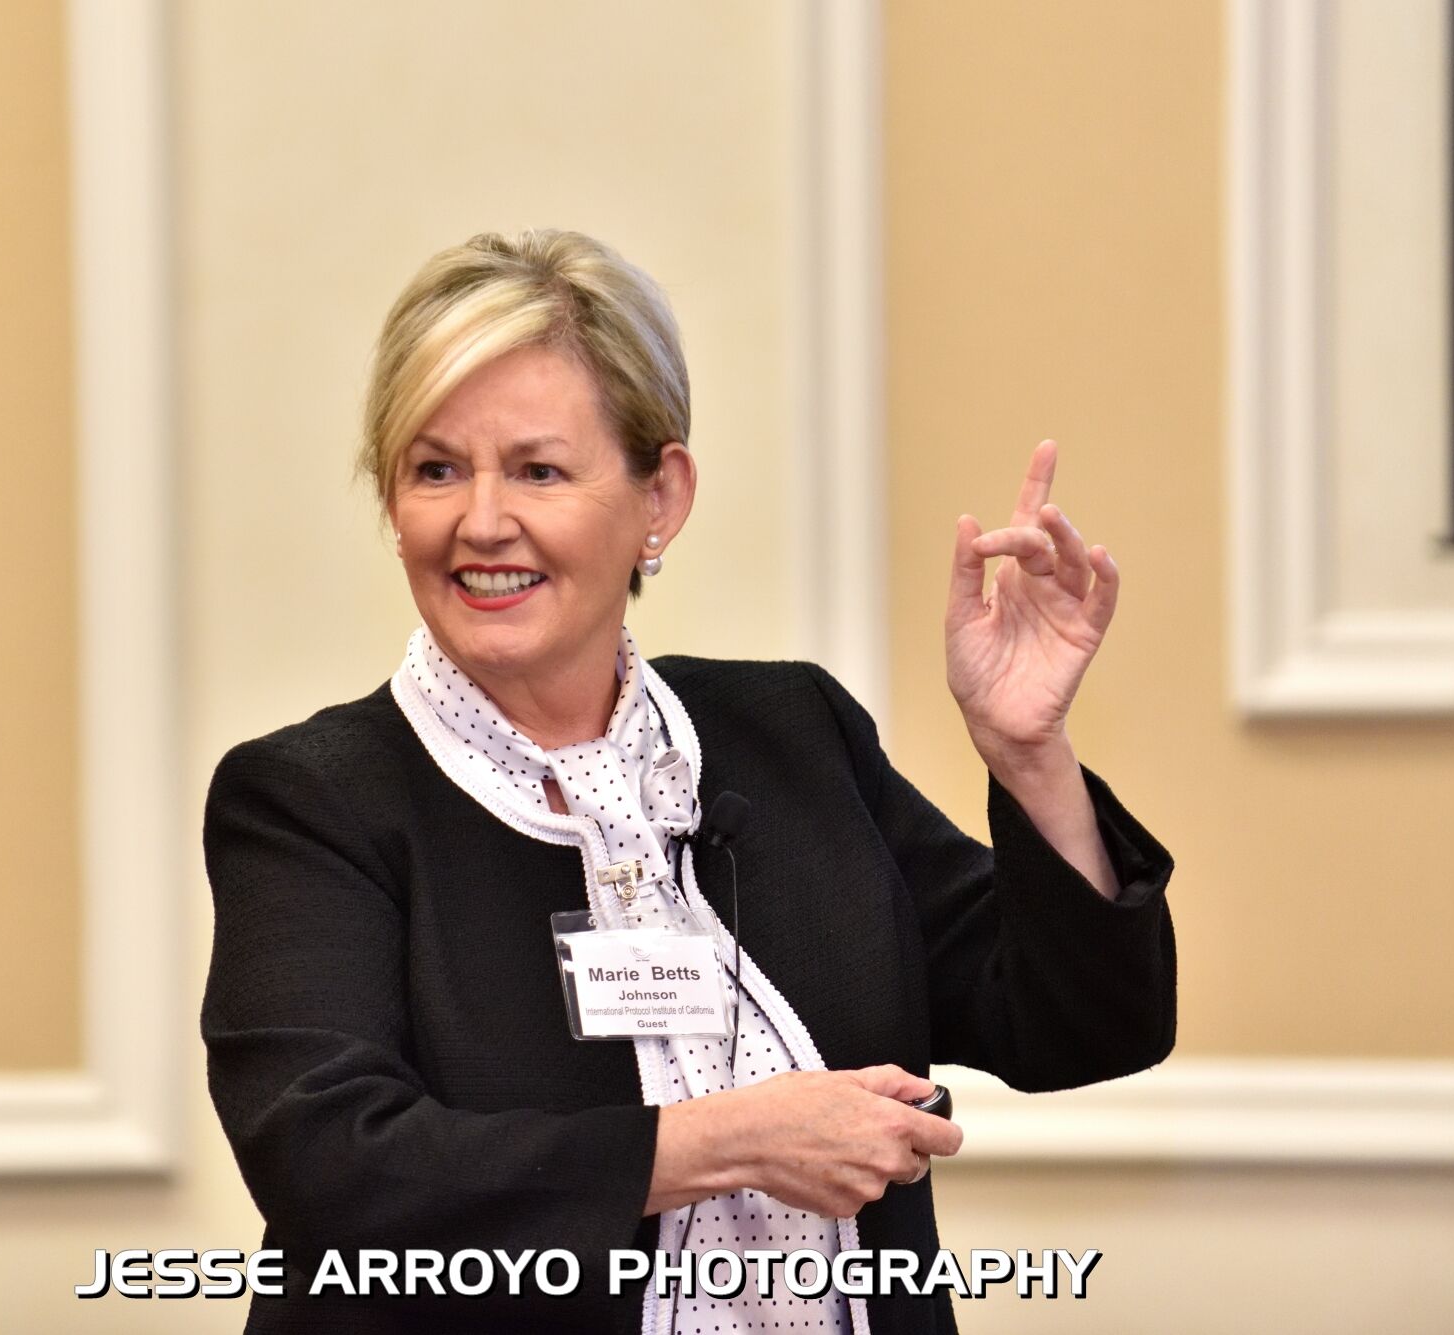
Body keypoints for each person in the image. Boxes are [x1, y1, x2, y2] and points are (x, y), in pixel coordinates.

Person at [200, 228, 1176, 1335]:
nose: (481, 521)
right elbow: (330, 1164)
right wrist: (723, 1143)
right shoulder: (312, 800)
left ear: (658, 497)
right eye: (435, 470)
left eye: (537, 470)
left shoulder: (793, 735)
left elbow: (1076, 1026)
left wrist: (1027, 751)